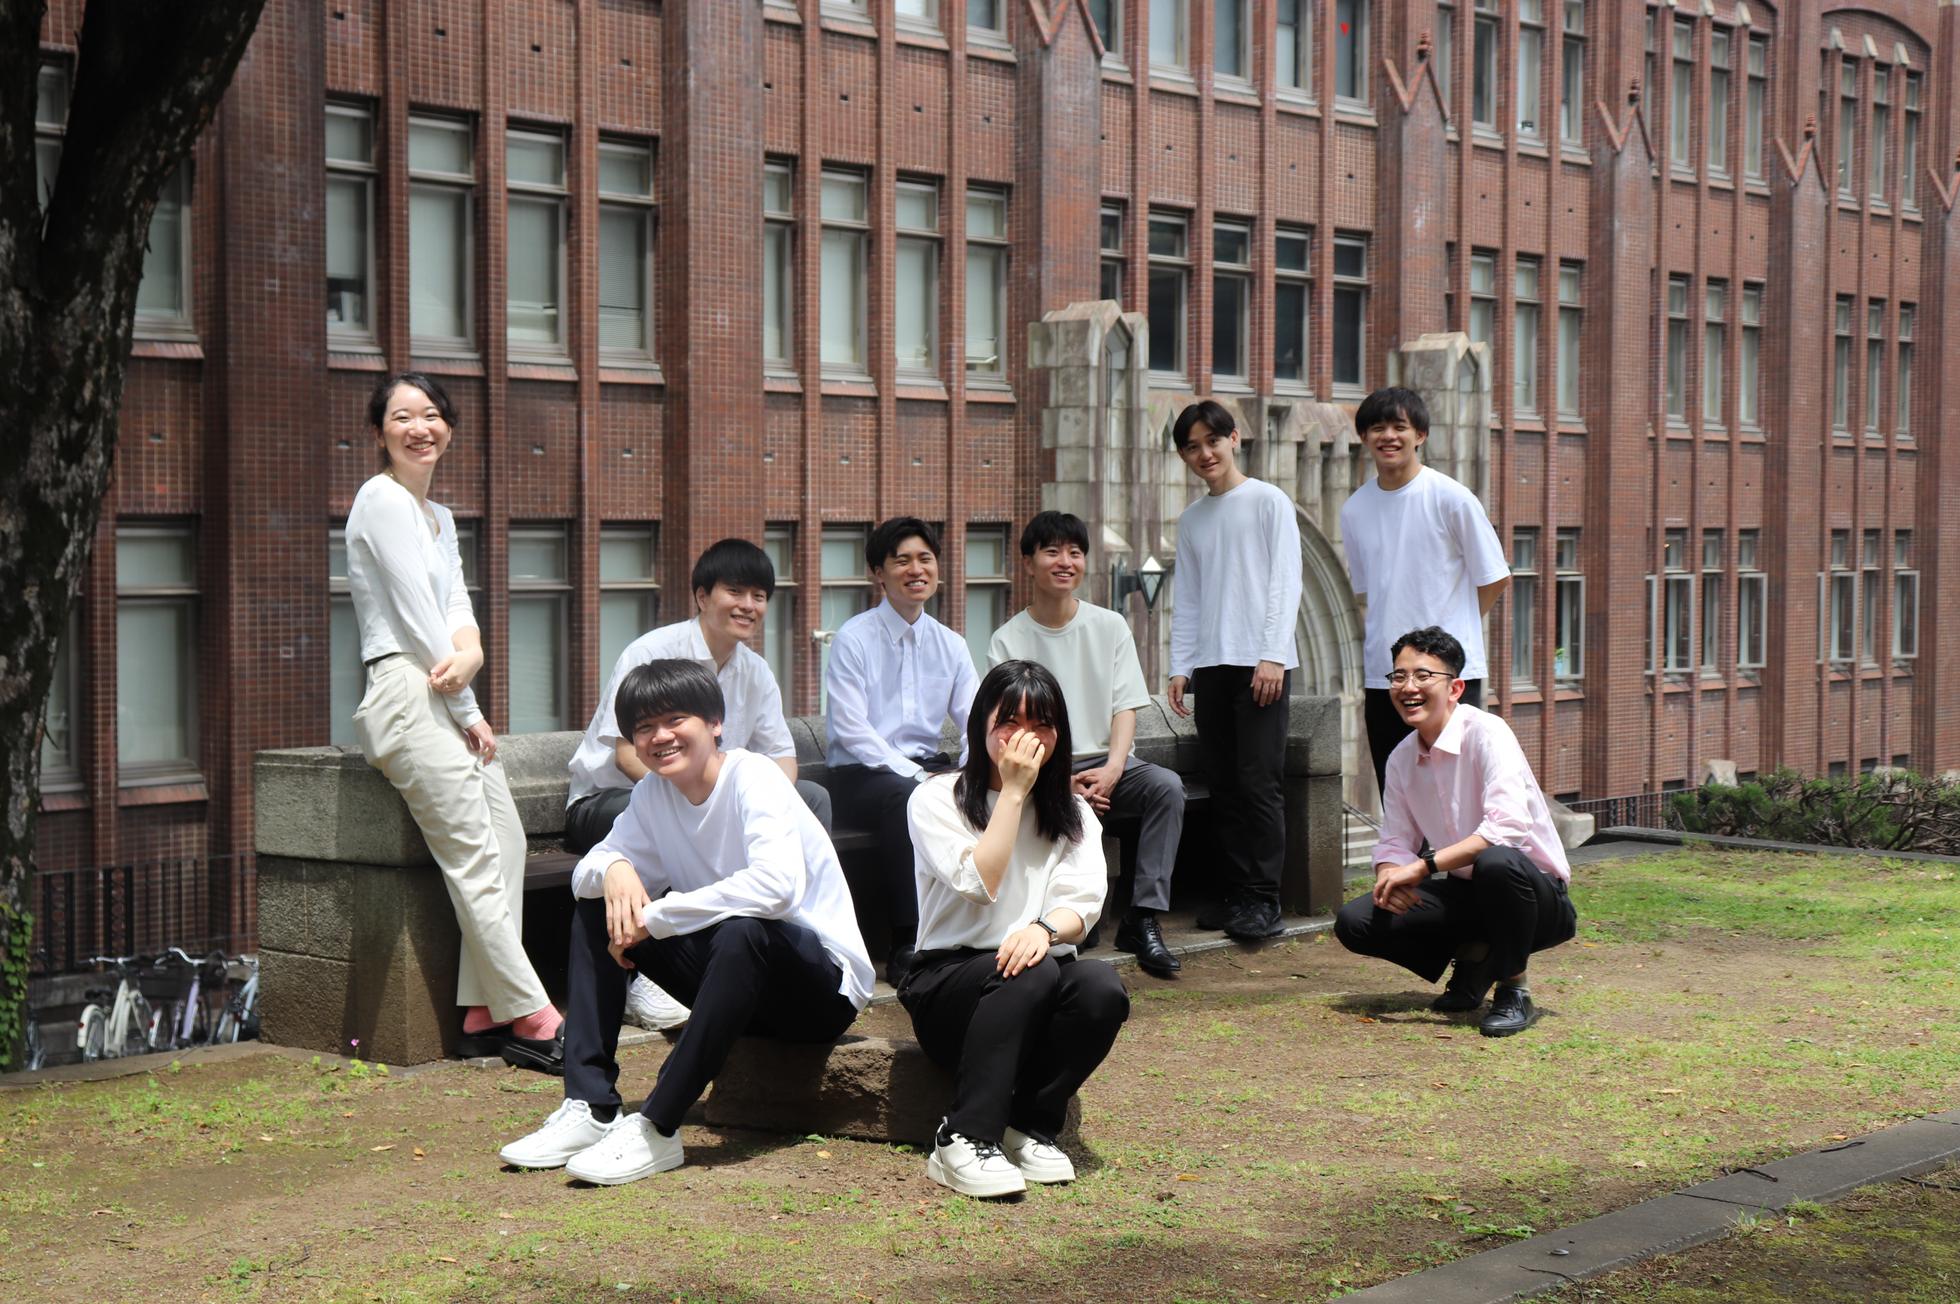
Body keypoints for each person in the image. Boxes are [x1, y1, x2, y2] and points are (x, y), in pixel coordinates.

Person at [500, 659, 874, 1185]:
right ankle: (590, 1105)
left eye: (675, 720)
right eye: (645, 727)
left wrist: (656, 916)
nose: (661, 736)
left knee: (742, 929)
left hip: (817, 992)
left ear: (715, 723)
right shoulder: (653, 794)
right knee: (601, 906)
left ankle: (657, 1124)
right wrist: (616, 866)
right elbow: (587, 874)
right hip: (732, 986)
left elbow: (776, 888)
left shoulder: (754, 777)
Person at [345, 371, 563, 1073]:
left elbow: (456, 609)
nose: (421, 428)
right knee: (473, 855)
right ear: (379, 433)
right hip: (407, 688)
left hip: (442, 686)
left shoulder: (436, 516)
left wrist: (473, 654)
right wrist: (467, 699)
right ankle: (534, 1014)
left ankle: (480, 1009)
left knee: (507, 842)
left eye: (433, 415)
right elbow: (416, 616)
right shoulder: (380, 500)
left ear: (449, 429)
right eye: (403, 417)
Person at [564, 540, 832, 1031]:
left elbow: (782, 758)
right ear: (702, 596)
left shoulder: (755, 670)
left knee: (811, 798)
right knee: (669, 823)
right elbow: (626, 753)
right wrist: (689, 800)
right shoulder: (651, 652)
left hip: (700, 798)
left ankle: (785, 934)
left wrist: (760, 800)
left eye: (759, 596)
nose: (748, 606)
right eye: (735, 592)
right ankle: (648, 973)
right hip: (610, 798)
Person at [900, 660, 1130, 1198]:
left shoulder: (1073, 813)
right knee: (1030, 971)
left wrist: (1042, 931)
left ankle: (1027, 1126)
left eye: (1041, 725)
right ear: (981, 726)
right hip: (950, 985)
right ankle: (962, 1137)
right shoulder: (935, 798)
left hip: (1035, 972)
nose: (1025, 738)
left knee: (1100, 987)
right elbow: (979, 882)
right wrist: (1012, 792)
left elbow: (1083, 904)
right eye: (1010, 722)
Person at [1332, 627, 1577, 1038]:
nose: (1408, 687)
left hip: (1535, 896)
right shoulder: (1402, 759)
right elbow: (1396, 839)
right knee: (1355, 921)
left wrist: (1423, 867)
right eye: (1399, 676)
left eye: (1423, 675)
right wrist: (1390, 874)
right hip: (1469, 893)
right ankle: (1476, 958)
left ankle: (1514, 989)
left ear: (1455, 688)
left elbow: (1506, 829)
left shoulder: (1488, 733)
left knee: (1496, 862)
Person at [988, 511, 1186, 978]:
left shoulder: (1110, 626)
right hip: (1040, 765)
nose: (1066, 562)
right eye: (1052, 551)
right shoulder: (1007, 640)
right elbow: (1008, 729)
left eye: (1075, 553)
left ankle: (1142, 917)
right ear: (1028, 562)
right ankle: (1065, 916)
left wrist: (1115, 768)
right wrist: (1061, 782)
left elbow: (1126, 707)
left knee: (1165, 788)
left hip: (1109, 763)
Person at [1166, 400, 1304, 942]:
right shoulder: (1192, 519)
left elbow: (1285, 582)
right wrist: (1181, 666)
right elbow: (1188, 597)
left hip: (1261, 663)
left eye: (1212, 441)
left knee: (1258, 782)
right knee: (1223, 783)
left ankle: (1264, 898)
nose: (1205, 453)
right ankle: (1234, 893)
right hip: (1212, 664)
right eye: (1192, 447)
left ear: (1234, 439)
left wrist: (1272, 654)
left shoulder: (1269, 501)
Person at [824, 517, 979, 983]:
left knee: (980, 791)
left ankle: (976, 928)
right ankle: (907, 940)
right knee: (908, 798)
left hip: (924, 770)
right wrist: (916, 777)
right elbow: (852, 730)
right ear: (879, 572)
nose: (916, 570)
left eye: (925, 559)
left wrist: (972, 768)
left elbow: (977, 718)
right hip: (860, 775)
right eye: (902, 561)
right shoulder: (853, 638)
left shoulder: (951, 644)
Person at [1337, 386, 1511, 803]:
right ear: (1364, 437)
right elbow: (1369, 592)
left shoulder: (1451, 498)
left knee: (1455, 792)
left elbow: (1494, 577)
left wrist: (1448, 640)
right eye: (1377, 428)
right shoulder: (1355, 509)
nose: (1388, 436)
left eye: (1399, 427)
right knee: (1397, 791)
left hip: (1446, 673)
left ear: (1420, 434)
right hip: (1386, 675)